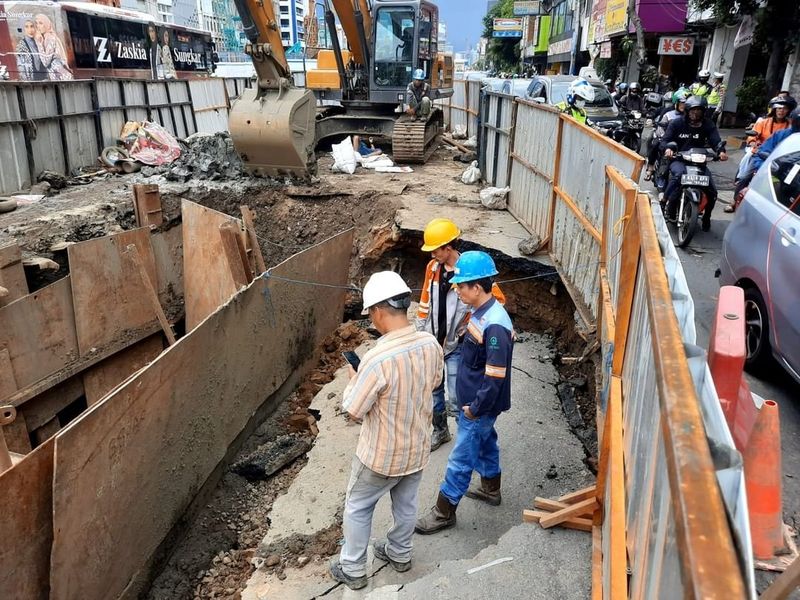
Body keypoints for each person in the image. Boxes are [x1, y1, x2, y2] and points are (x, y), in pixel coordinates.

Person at [329, 271, 443, 590]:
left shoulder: (376, 358)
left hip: (380, 455)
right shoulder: (429, 343)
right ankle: (400, 554)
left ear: (378, 311)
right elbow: (434, 382)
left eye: (371, 315)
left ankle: (352, 567)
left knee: (358, 505)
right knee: (406, 504)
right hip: (417, 447)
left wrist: (354, 378)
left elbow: (353, 410)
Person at [415, 251, 514, 535]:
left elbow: (495, 377)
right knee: (485, 442)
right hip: (476, 403)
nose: (456, 290)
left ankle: (443, 512)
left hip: (478, 405)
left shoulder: (494, 324)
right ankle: (490, 489)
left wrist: (474, 408)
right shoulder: (481, 313)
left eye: (461, 285)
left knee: (461, 458)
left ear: (477, 287)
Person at [415, 219, 506, 452]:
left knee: (457, 395)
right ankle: (440, 431)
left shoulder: (468, 270)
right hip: (434, 340)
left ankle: (465, 436)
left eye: (436, 249)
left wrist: (472, 323)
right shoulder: (432, 269)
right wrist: (420, 330)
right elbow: (425, 300)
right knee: (434, 391)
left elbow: (496, 299)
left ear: (448, 247)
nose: (433, 254)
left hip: (456, 344)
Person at [660, 95, 728, 230]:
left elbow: (715, 140)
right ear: (687, 110)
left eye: (699, 111)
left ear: (704, 112)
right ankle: (664, 201)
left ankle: (707, 216)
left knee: (712, 192)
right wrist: (668, 148)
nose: (695, 114)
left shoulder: (708, 124)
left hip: (698, 162)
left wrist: (720, 151)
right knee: (678, 176)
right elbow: (665, 140)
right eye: (693, 110)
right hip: (679, 159)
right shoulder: (677, 123)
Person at [728, 107, 800, 213]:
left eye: (784, 109)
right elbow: (763, 151)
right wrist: (765, 170)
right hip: (775, 172)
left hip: (796, 180)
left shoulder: (785, 126)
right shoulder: (779, 133)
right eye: (779, 108)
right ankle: (735, 202)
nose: (781, 111)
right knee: (746, 178)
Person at [644, 90, 688, 182]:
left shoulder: (691, 115)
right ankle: (650, 168)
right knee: (655, 144)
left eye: (686, 103)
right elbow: (660, 126)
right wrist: (665, 138)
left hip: (682, 139)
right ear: (676, 102)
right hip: (666, 137)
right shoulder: (667, 112)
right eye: (682, 103)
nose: (684, 105)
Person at [34, 13, 72, 81]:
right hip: (60, 76)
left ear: (46, 24)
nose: (38, 26)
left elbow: (46, 62)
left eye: (41, 23)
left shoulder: (50, 38)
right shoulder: (48, 37)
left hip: (60, 77)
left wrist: (38, 43)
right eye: (36, 23)